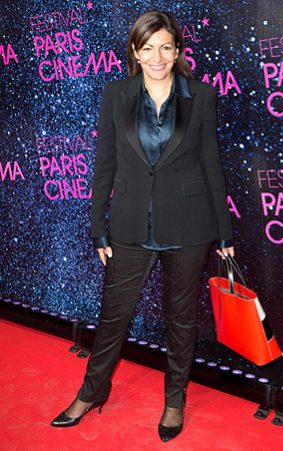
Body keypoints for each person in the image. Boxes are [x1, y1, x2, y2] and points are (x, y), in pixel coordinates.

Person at [50, 11, 234, 443]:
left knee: (181, 320)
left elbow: (212, 165)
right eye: (148, 47)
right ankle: (91, 392)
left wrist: (224, 234)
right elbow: (105, 164)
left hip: (189, 227)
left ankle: (174, 400)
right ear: (135, 51)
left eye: (166, 46)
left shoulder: (201, 96)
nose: (158, 56)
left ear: (178, 51)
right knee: (113, 317)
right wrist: (98, 226)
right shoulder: (116, 94)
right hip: (130, 226)